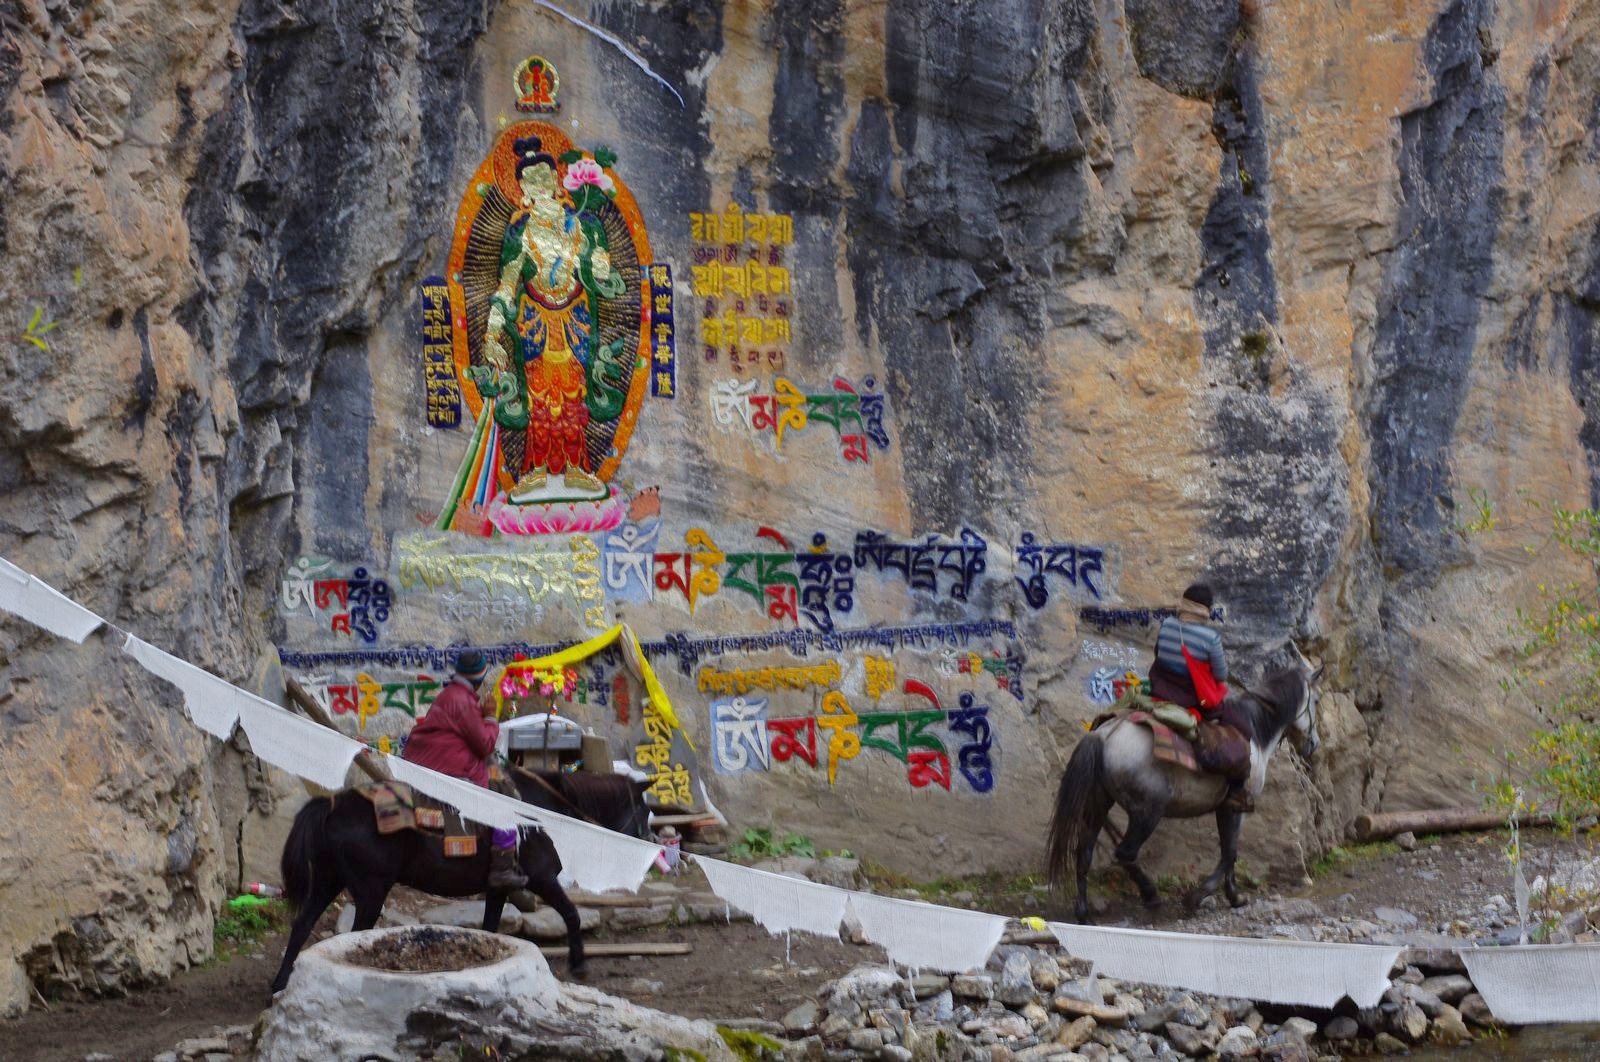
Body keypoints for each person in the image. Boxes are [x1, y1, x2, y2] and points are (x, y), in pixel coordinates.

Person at [402, 650, 527, 888]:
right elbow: (485, 745)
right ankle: (502, 867)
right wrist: (491, 718)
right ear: (479, 678)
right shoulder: (463, 702)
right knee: (506, 800)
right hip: (451, 768)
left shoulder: (450, 694)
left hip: (429, 761)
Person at [1147, 583, 1254, 813]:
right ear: (1206, 610)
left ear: (1184, 604)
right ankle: (1236, 791)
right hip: (1191, 700)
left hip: (1158, 693)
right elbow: (1221, 675)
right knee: (1243, 729)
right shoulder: (1210, 638)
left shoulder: (1166, 625)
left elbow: (1158, 656)